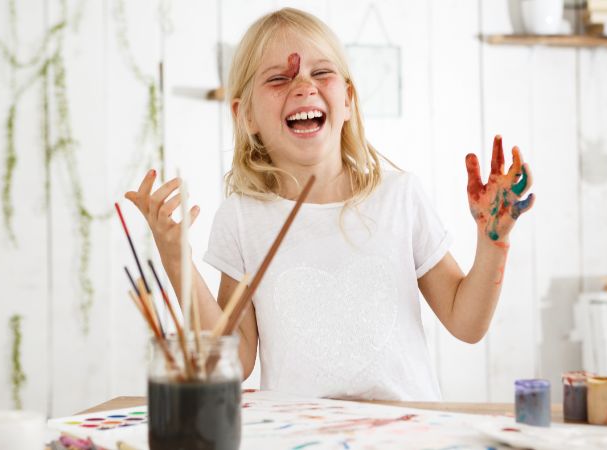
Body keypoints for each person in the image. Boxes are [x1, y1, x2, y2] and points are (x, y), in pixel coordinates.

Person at [125, 7, 535, 401]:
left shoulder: (400, 197)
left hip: (406, 431)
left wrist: (493, 240)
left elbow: (466, 324)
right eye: (279, 79)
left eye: (321, 72)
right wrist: (177, 260)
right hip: (301, 434)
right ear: (245, 114)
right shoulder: (242, 218)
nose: (304, 86)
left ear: (348, 99)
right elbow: (235, 360)